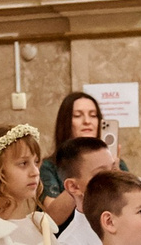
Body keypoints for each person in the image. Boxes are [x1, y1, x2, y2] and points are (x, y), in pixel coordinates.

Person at [40, 91, 129, 221]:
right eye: (77, 116)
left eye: (93, 115)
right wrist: (82, 176)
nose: (87, 121)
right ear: (66, 123)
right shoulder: (50, 166)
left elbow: (129, 208)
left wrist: (114, 171)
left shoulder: (117, 164)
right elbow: (53, 218)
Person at [46, 137, 111, 245]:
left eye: (113, 170)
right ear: (74, 187)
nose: (113, 179)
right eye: (101, 174)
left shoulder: (123, 228)